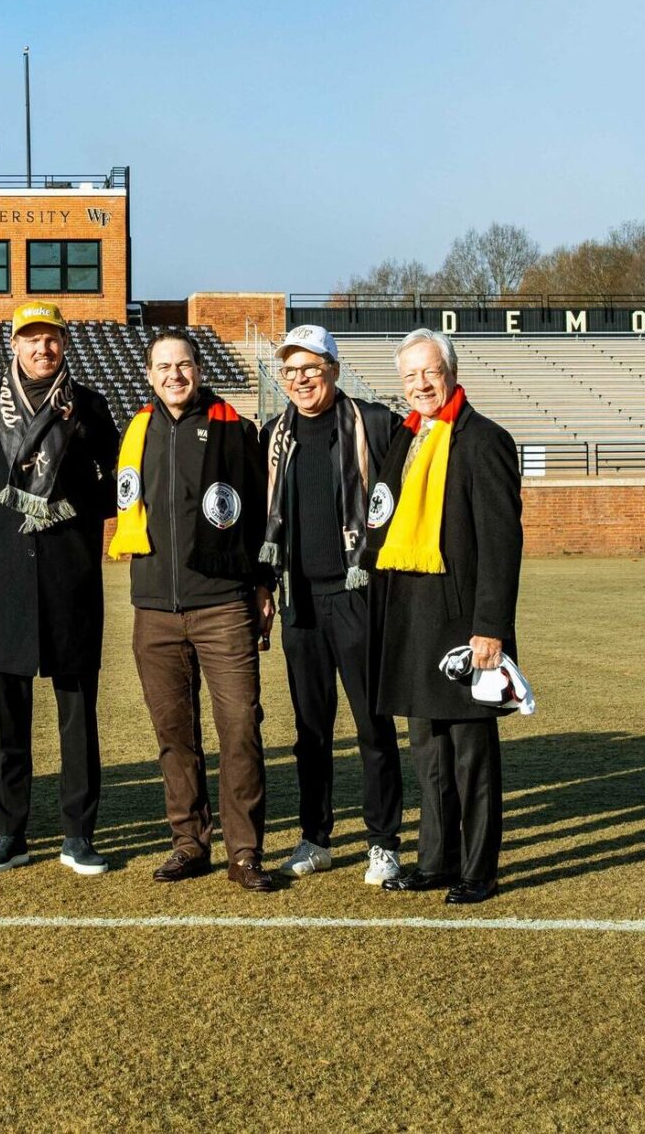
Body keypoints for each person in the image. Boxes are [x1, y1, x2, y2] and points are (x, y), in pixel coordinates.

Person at [109, 330, 275, 892]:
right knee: (174, 734)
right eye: (163, 366)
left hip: (223, 604)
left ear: (198, 370)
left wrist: (262, 584)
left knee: (240, 728)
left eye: (183, 364)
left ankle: (245, 850)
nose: (174, 374)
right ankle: (189, 842)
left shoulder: (234, 429)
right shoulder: (136, 432)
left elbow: (257, 516)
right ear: (149, 374)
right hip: (154, 609)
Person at [0, 301, 122, 875]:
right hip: (5, 581)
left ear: (63, 343)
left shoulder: (92, 406)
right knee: (8, 719)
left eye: (50, 338)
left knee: (78, 719)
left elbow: (117, 487)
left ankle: (78, 835)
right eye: (30, 339)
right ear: (14, 345)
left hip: (70, 579)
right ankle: (10, 834)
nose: (41, 348)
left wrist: (71, 510)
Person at [373, 328, 524, 905]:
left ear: (451, 373)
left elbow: (501, 543)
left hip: (462, 623)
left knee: (470, 754)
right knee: (427, 753)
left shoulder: (484, 440)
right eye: (409, 375)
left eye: (428, 373)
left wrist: (491, 627)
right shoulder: (403, 440)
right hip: (411, 619)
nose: (419, 384)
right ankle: (435, 859)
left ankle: (479, 868)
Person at [258, 323, 409, 887]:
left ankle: (382, 842)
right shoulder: (273, 434)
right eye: (291, 371)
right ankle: (315, 837)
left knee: (373, 725)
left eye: (311, 370)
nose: (300, 380)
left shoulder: (374, 423)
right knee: (310, 730)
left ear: (333, 372)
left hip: (358, 595)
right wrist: (264, 585)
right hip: (299, 601)